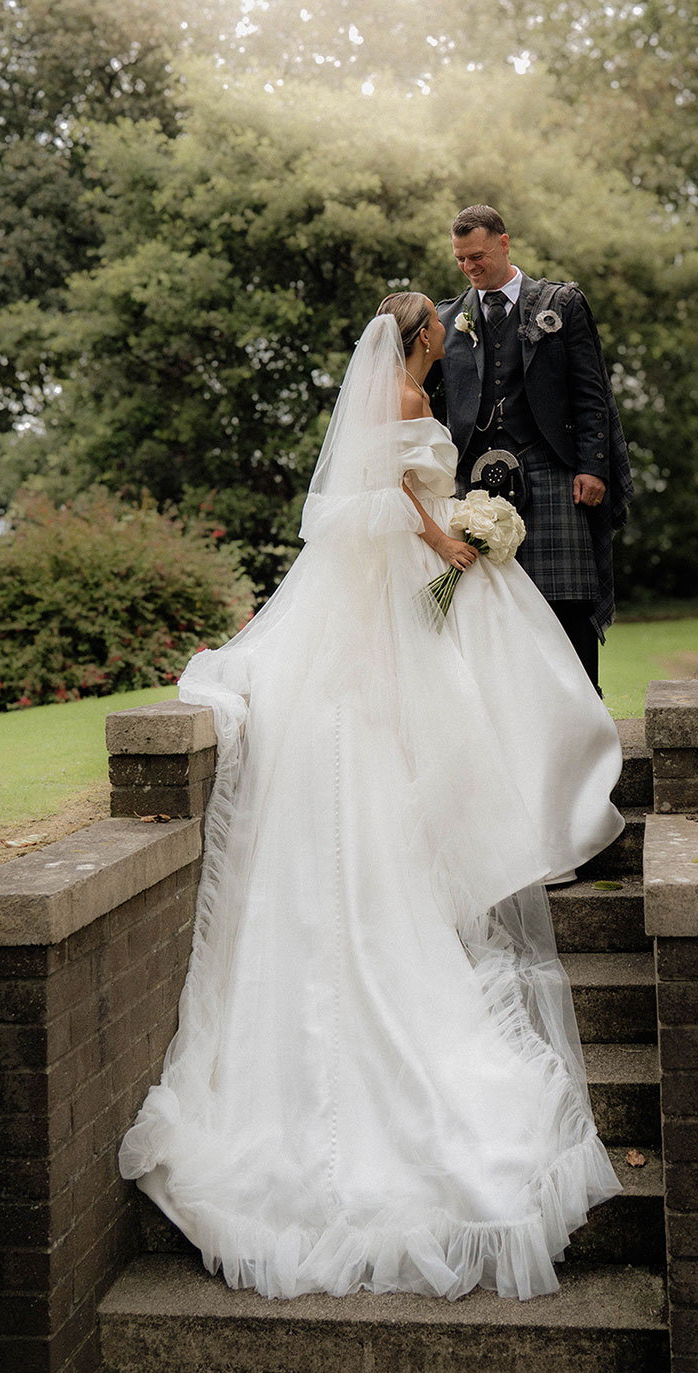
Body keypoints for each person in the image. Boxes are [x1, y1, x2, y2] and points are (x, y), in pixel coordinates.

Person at [119, 293, 626, 1304]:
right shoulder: (401, 391)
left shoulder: (398, 390)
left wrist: (448, 529)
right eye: (438, 326)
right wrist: (444, 537)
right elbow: (376, 497)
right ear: (422, 339)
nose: (444, 338)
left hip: (398, 589)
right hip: (402, 581)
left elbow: (379, 492)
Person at [435, 205, 632, 692]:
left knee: (567, 599)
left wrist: (594, 467)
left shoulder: (561, 305)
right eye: (461, 259)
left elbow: (591, 394)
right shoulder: (447, 318)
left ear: (504, 243)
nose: (470, 267)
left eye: (477, 256)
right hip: (476, 482)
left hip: (553, 467)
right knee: (491, 606)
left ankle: (586, 711)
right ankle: (516, 718)